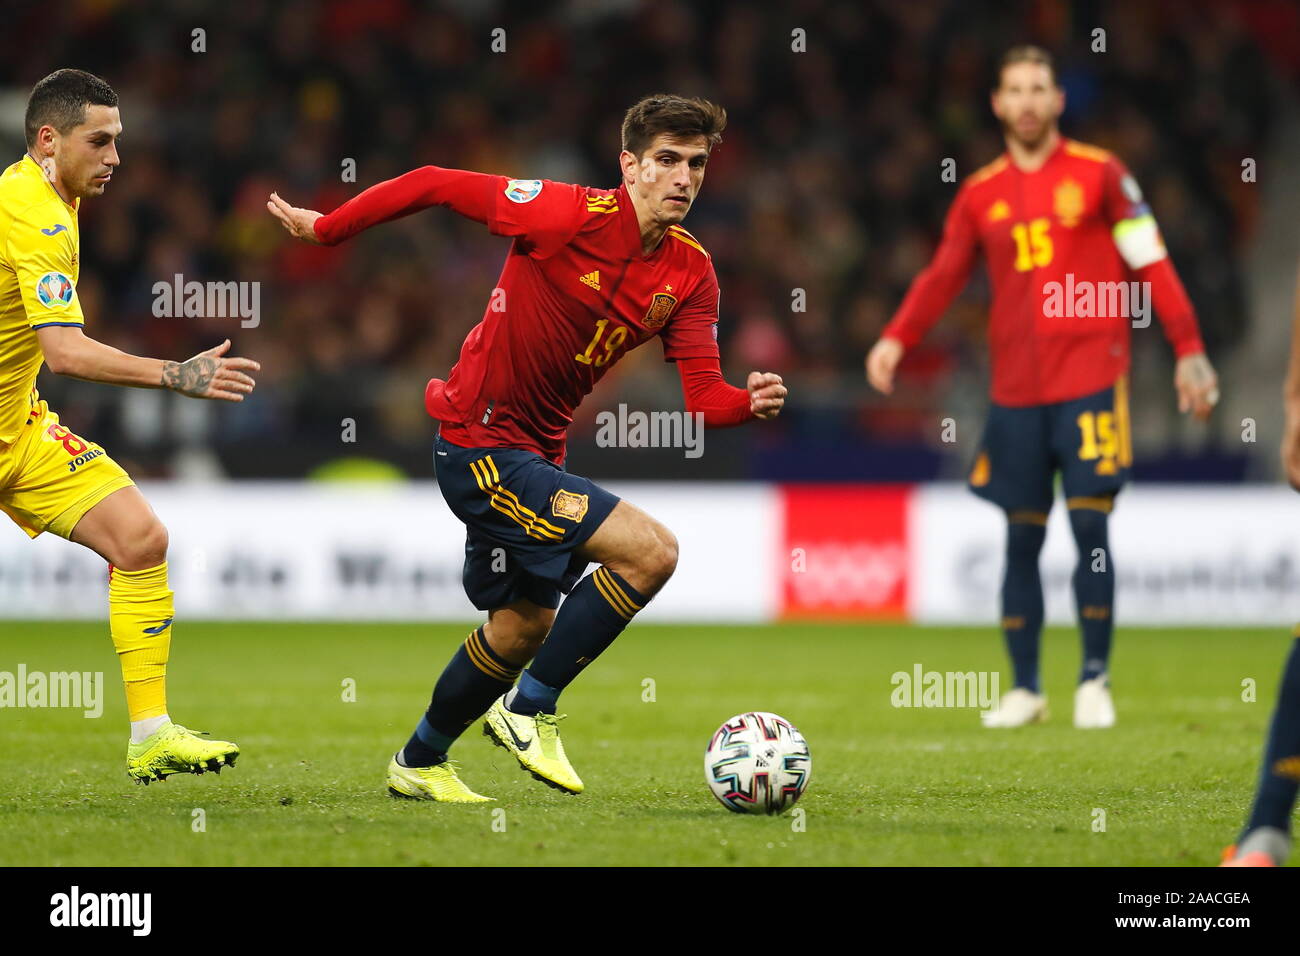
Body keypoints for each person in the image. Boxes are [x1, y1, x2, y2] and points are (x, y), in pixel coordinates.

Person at [268, 93, 787, 801]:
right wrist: (328, 228)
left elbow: (704, 399)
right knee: (652, 551)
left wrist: (746, 404)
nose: (683, 179)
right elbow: (433, 182)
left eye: (695, 164)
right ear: (629, 165)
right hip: (479, 445)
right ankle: (529, 709)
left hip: (538, 456)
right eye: (667, 160)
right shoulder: (565, 213)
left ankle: (418, 763)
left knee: (522, 626)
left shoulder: (691, 274)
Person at [865, 46, 1218, 729]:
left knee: (1090, 523)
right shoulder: (979, 194)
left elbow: (1152, 260)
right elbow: (942, 275)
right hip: (1016, 391)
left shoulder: (1102, 175)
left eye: (1039, 89)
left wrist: (1190, 349)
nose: (1027, 102)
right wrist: (896, 338)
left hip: (1090, 378)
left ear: (1059, 101)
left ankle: (1095, 679)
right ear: (997, 104)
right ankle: (1026, 688)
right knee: (1020, 536)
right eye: (1014, 90)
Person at [2, 69, 259, 781]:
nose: (116, 157)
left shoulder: (52, 197)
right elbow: (65, 352)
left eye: (118, 141)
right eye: (101, 141)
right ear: (49, 140)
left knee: (140, 539)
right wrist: (176, 374)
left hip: (16, 431)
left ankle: (151, 733)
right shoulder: (34, 210)